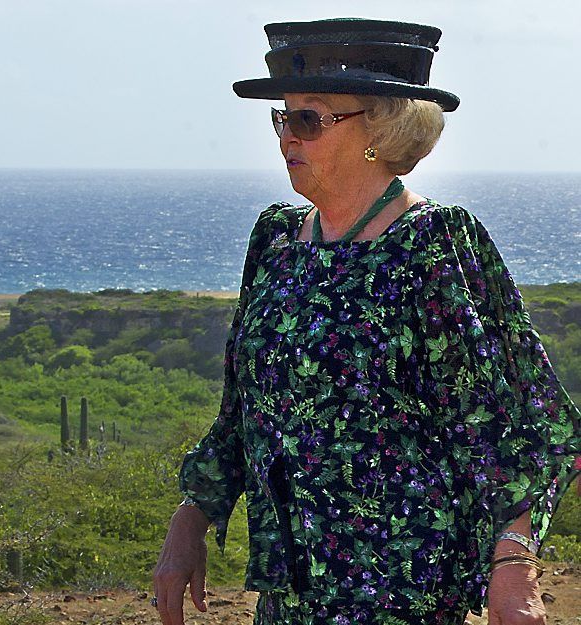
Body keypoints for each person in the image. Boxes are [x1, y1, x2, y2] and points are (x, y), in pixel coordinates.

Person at [152, 17, 581, 625]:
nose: (285, 137)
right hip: (289, 598)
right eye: (282, 116)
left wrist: (513, 566)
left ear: (379, 130)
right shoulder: (276, 242)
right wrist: (189, 520)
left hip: (402, 591)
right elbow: (242, 414)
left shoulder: (432, 245)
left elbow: (509, 425)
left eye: (310, 118)